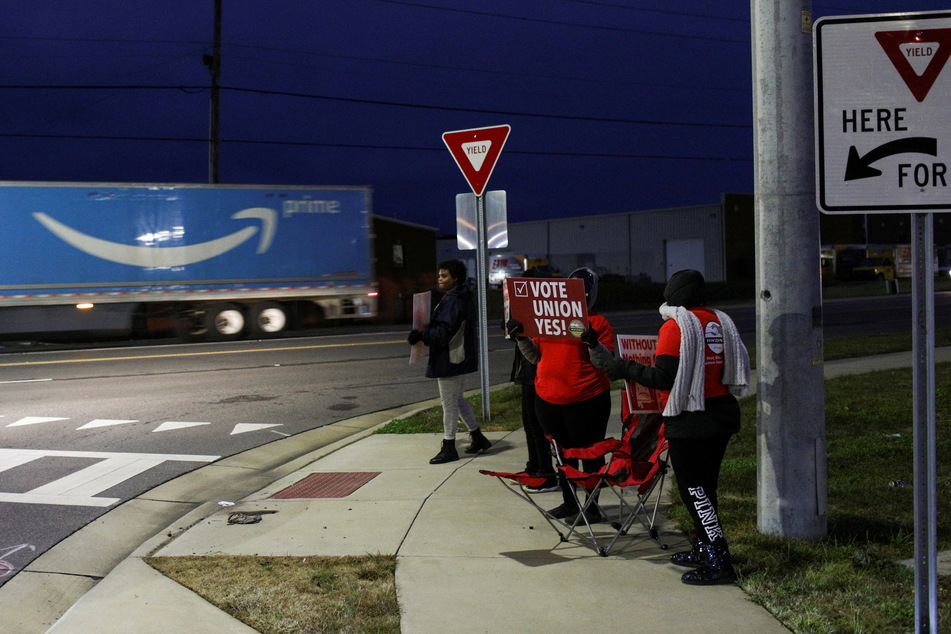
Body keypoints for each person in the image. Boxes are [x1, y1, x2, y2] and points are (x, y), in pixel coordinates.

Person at [591, 269, 749, 586]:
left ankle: (719, 559)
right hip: (720, 413)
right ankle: (702, 546)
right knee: (706, 487)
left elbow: (664, 378)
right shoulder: (718, 322)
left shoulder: (676, 327)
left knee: (694, 491)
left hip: (691, 419)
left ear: (673, 295)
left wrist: (623, 367)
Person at [507, 267, 615, 520]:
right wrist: (521, 338)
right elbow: (536, 356)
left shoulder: (598, 323)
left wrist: (593, 343)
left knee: (589, 455)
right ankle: (569, 503)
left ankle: (592, 508)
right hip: (548, 400)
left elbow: (605, 362)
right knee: (562, 455)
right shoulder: (550, 323)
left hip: (587, 401)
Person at [407, 259, 491, 464]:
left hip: (451, 358)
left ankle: (449, 446)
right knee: (458, 399)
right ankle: (478, 438)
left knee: (449, 403)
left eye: (444, 276)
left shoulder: (453, 300)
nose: (440, 279)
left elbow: (443, 333)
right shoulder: (458, 296)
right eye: (439, 275)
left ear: (456, 278)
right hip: (457, 356)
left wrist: (421, 335)